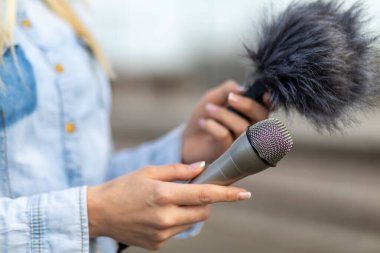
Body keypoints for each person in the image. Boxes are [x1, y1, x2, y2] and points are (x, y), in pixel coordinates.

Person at [0, 1, 270, 252]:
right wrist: (92, 215)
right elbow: (93, 204)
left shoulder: (65, 14)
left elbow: (86, 180)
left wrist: (184, 149)